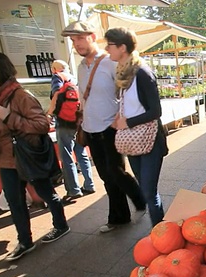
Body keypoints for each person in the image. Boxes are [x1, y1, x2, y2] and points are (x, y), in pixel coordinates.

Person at [0, 51, 70, 261]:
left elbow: (42, 124)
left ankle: (61, 224)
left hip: (25, 157)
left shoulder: (20, 96)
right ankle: (25, 241)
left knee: (46, 193)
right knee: (15, 201)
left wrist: (10, 117)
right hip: (5, 158)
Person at [61, 21, 146, 233]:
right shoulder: (80, 67)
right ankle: (118, 217)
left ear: (92, 36)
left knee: (115, 172)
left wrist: (121, 119)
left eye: (80, 38)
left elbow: (126, 93)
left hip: (110, 128)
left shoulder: (110, 62)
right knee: (106, 176)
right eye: (73, 40)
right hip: (90, 129)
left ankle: (141, 198)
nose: (77, 44)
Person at [105, 27, 168, 227]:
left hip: (149, 140)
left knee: (149, 191)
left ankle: (160, 231)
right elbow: (133, 105)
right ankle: (162, 227)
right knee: (146, 189)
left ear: (122, 47)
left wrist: (128, 122)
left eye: (110, 45)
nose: (107, 49)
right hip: (133, 141)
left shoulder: (142, 73)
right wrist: (120, 117)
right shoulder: (123, 73)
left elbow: (155, 111)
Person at [47, 60, 95, 203]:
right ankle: (89, 184)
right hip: (77, 121)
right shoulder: (74, 78)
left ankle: (73, 190)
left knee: (66, 156)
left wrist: (49, 113)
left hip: (64, 122)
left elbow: (56, 95)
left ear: (55, 69)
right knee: (81, 152)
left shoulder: (57, 77)